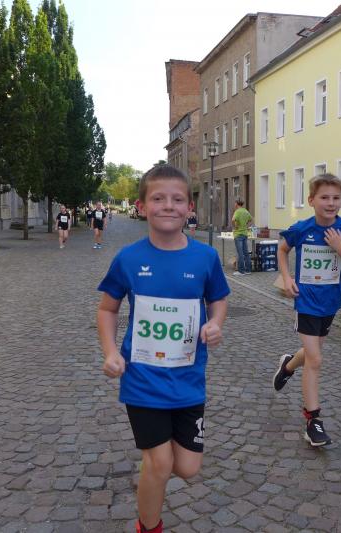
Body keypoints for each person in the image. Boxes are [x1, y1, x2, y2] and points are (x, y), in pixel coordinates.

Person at [97, 164, 229, 533]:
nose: (168, 206)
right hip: (143, 379)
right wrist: (110, 352)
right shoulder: (128, 258)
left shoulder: (205, 258)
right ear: (141, 207)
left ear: (190, 208)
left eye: (177, 199)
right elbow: (107, 309)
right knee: (159, 463)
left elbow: (218, 299)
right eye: (158, 198)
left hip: (188, 380)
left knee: (187, 467)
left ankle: (154, 464)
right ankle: (148, 525)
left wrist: (215, 323)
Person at [272, 173, 341, 447]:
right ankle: (313, 421)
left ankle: (288, 365)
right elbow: (282, 250)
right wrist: (287, 278)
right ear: (311, 200)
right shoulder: (302, 228)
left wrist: (340, 247)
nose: (331, 203)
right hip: (306, 301)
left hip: (330, 303)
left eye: (336, 198)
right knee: (315, 360)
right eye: (325, 197)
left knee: (312, 353)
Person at [231, 199, 253, 276]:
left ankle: (241, 271)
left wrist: (235, 226)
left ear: (237, 204)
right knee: (246, 253)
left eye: (235, 203)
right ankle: (248, 270)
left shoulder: (237, 211)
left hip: (238, 234)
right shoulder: (245, 211)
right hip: (245, 234)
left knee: (240, 253)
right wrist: (246, 225)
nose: (234, 204)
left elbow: (233, 220)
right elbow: (251, 219)